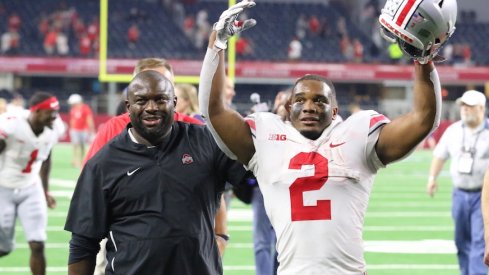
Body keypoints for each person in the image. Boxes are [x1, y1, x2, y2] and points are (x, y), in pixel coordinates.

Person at [199, 0, 455, 273]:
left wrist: (423, 58)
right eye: (300, 100)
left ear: (334, 111)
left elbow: (423, 119)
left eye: (320, 100)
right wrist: (217, 44)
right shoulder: (265, 137)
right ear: (288, 107)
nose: (309, 106)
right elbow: (214, 111)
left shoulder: (359, 134)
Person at [65, 70, 248, 275]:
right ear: (128, 107)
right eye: (141, 101)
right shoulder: (102, 164)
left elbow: (249, 184)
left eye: (160, 99)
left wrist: (221, 236)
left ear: (174, 102)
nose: (151, 108)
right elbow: (83, 244)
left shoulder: (205, 142)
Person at [428, 90, 489, 275]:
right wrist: (432, 178)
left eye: (469, 106)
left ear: (481, 108)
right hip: (460, 193)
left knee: (479, 241)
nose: (465, 109)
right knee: (461, 241)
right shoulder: (453, 130)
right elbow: (440, 155)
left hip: (483, 195)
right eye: (463, 105)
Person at [0, 92, 60, 275]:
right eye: (50, 112)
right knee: (3, 248)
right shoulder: (12, 124)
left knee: (37, 243)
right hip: (3, 187)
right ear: (37, 111)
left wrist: (46, 191)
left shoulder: (52, 130)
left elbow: (46, 159)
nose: (54, 116)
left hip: (30, 187)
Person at [68, 93, 95, 168]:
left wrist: (91, 129)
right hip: (74, 130)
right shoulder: (73, 109)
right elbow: (72, 119)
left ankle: (81, 160)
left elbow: (89, 119)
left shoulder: (85, 108)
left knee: (82, 146)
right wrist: (71, 128)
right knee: (75, 145)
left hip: (83, 130)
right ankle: (75, 160)